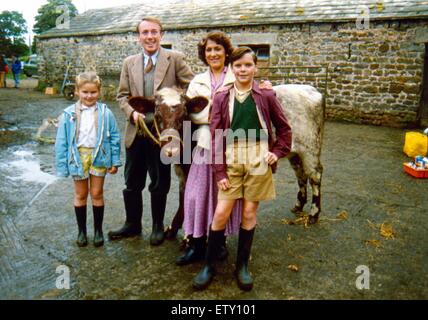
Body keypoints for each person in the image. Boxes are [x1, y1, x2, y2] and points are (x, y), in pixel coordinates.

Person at [192, 47, 292, 291]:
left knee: (248, 213)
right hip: (232, 158)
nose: (243, 70)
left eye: (248, 65)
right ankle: (209, 265)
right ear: (232, 68)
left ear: (255, 67)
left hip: (258, 159)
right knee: (221, 212)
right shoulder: (222, 97)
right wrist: (220, 171)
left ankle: (242, 266)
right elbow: (216, 135)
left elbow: (285, 129)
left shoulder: (266, 96)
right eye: (238, 66)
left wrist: (276, 152)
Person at [108, 17, 194, 246]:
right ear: (139, 37)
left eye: (154, 32)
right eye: (145, 32)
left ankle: (157, 226)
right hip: (136, 132)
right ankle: (132, 224)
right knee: (132, 181)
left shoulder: (174, 59)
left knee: (160, 181)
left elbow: (191, 87)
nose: (150, 37)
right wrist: (131, 113)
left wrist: (173, 101)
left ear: (161, 34)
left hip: (163, 134)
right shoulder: (129, 63)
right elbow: (122, 96)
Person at [176, 31, 241, 266]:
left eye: (217, 49)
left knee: (223, 196)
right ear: (204, 55)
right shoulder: (197, 82)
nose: (213, 54)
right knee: (196, 194)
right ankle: (195, 243)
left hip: (232, 145)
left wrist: (211, 112)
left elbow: (243, 109)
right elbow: (191, 114)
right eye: (208, 51)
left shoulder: (237, 76)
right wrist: (217, 111)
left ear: (226, 52)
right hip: (204, 145)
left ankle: (219, 243)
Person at [55, 71, 122, 247]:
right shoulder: (68, 114)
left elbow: (114, 137)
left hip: (99, 156)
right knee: (81, 194)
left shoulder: (106, 113)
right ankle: (82, 232)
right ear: (77, 91)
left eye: (93, 92)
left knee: (97, 193)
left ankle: (98, 231)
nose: (89, 96)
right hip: (78, 158)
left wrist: (115, 161)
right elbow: (61, 141)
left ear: (99, 92)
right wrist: (62, 166)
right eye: (85, 92)